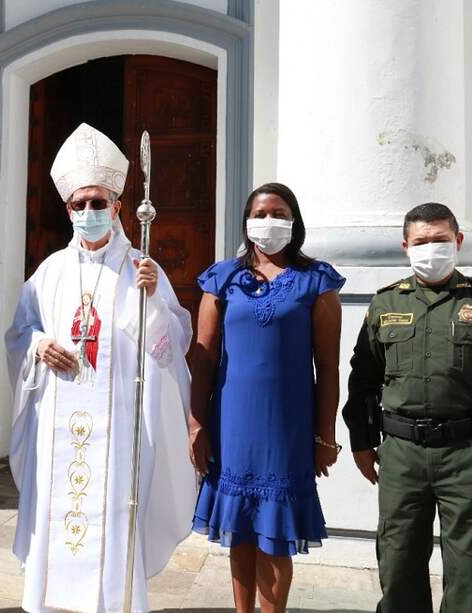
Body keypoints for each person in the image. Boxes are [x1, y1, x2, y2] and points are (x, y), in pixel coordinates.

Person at [5, 123, 195, 613]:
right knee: (57, 511)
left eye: (98, 202)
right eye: (79, 204)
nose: (88, 212)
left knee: (112, 516)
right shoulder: (48, 272)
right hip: (57, 425)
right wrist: (40, 344)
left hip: (118, 430)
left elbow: (171, 342)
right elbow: (20, 332)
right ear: (67, 209)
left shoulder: (141, 268)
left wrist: (153, 300)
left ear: (117, 207)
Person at [342, 202, 472, 613]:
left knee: (469, 571)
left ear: (458, 242)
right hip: (401, 455)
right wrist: (362, 442)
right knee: (398, 568)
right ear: (405, 246)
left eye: (439, 240)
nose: (430, 249)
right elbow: (362, 381)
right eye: (421, 242)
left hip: (468, 457)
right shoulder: (384, 304)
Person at [189, 182, 345, 613]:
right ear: (246, 221)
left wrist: (325, 436)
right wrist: (196, 424)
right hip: (232, 423)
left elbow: (327, 367)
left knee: (274, 533)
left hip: (287, 426)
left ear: (294, 222)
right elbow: (202, 359)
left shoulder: (317, 282)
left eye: (278, 213)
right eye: (259, 214)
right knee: (239, 529)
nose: (268, 222)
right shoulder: (223, 278)